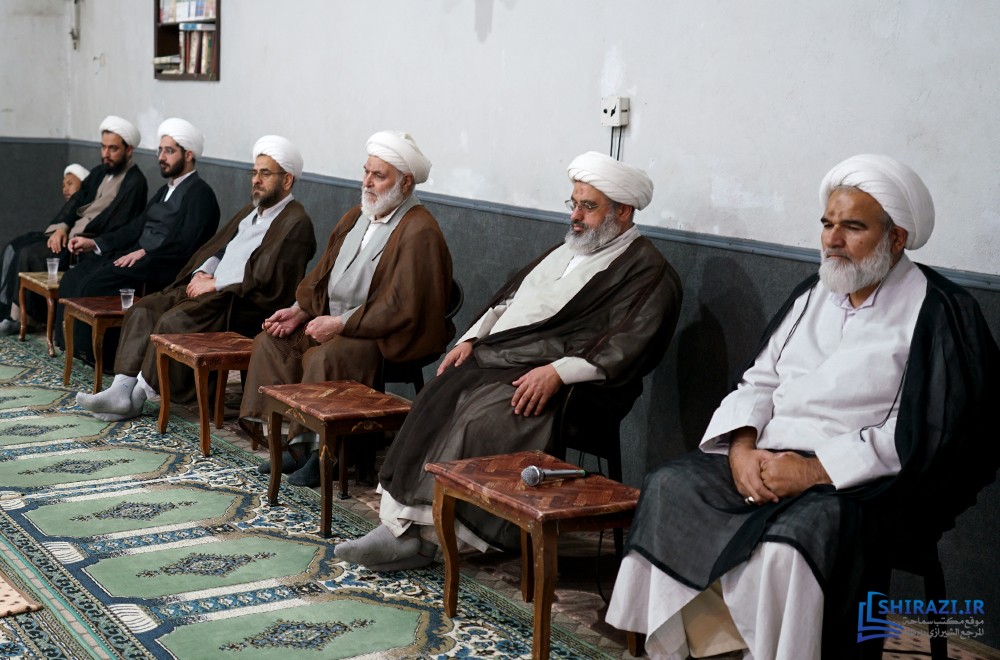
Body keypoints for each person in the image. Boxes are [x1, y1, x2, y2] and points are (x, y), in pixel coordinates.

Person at [605, 154, 1000, 659]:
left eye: (853, 227)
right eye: (828, 224)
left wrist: (813, 471)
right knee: (669, 488)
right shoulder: (815, 292)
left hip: (864, 483)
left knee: (788, 546)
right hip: (769, 456)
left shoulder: (939, 310)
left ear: (897, 237)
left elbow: (926, 433)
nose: (832, 240)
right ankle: (694, 649)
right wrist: (741, 451)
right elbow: (759, 380)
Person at [334, 151, 683, 571]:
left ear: (623, 211)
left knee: (480, 415)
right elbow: (507, 303)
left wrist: (557, 373)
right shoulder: (568, 249)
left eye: (588, 207)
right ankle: (400, 525)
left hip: (575, 389)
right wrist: (470, 339)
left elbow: (628, 346)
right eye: (573, 204)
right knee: (438, 393)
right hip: (504, 357)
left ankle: (429, 538)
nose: (575, 216)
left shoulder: (649, 272)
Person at [239, 130, 454, 487]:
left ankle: (325, 454)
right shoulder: (358, 215)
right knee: (272, 343)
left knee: (324, 357)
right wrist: (300, 309)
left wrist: (341, 324)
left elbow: (402, 305)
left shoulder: (420, 230)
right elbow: (322, 273)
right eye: (366, 172)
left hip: (381, 336)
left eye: (378, 176)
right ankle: (292, 445)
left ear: (405, 182)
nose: (367, 182)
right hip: (333, 321)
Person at [75, 135, 316, 420]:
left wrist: (215, 284)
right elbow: (220, 247)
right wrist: (203, 271)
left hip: (242, 303)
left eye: (265, 174)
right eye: (254, 173)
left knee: (173, 320)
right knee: (145, 308)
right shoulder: (252, 211)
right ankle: (120, 389)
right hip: (213, 290)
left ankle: (136, 397)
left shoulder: (295, 221)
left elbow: (268, 277)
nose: (256, 180)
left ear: (287, 180)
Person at [57, 117, 221, 364]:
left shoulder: (201, 194)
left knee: (93, 285)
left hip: (159, 266)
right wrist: (97, 243)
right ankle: (70, 346)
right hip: (137, 256)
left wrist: (145, 253)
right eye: (160, 151)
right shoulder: (165, 190)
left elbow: (186, 244)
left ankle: (102, 358)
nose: (161, 157)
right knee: (75, 276)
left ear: (188, 155)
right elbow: (136, 227)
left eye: (169, 151)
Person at [0, 117, 148, 335]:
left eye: (113, 149)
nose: (106, 154)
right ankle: (17, 315)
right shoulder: (100, 172)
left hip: (86, 245)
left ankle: (25, 319)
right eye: (103, 147)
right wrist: (61, 227)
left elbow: (120, 225)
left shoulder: (135, 182)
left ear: (129, 150)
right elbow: (76, 201)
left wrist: (85, 240)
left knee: (29, 254)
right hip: (69, 234)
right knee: (16, 246)